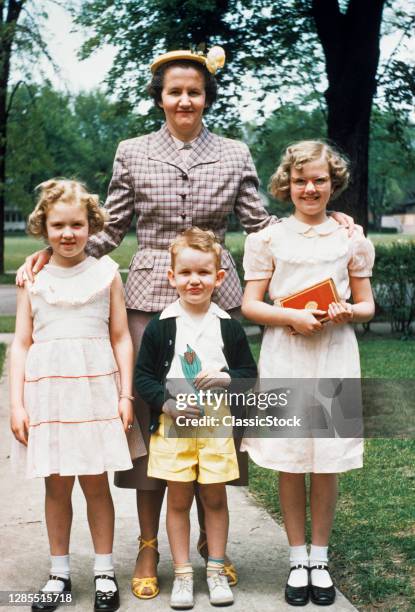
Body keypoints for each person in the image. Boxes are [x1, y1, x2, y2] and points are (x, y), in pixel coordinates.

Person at [16, 47, 355, 599]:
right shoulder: (132, 151)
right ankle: (149, 544)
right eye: (174, 91)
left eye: (194, 91)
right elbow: (112, 226)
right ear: (160, 97)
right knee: (158, 433)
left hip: (215, 297)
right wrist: (51, 259)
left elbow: (261, 221)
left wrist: (318, 216)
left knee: (215, 424)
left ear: (206, 97)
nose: (184, 100)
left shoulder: (234, 153)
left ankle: (210, 548)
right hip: (152, 298)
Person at [241, 141, 375, 607]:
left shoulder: (350, 238)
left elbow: (367, 303)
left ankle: (320, 557)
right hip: (286, 356)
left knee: (325, 460)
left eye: (318, 180)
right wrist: (291, 318)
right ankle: (296, 558)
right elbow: (250, 303)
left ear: (332, 183)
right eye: (300, 180)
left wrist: (347, 311)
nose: (310, 188)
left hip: (334, 355)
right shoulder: (269, 239)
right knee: (290, 457)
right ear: (287, 184)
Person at [9, 179, 143, 612]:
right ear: (43, 228)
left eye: (78, 225)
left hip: (95, 392)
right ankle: (59, 573)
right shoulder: (33, 278)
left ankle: (104, 571)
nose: (68, 234)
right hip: (48, 394)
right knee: (57, 486)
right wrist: (16, 403)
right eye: (58, 225)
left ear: (92, 225)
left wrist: (125, 395)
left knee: (96, 484)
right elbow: (22, 343)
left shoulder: (106, 273)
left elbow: (121, 337)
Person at [135, 227, 257, 608]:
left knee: (215, 499)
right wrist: (166, 404)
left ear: (219, 278)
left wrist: (226, 378)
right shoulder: (161, 326)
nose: (194, 280)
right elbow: (144, 377)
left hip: (216, 430)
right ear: (171, 277)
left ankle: (216, 569)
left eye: (204, 273)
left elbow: (248, 376)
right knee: (177, 501)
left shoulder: (228, 326)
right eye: (185, 273)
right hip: (174, 429)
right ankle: (184, 573)